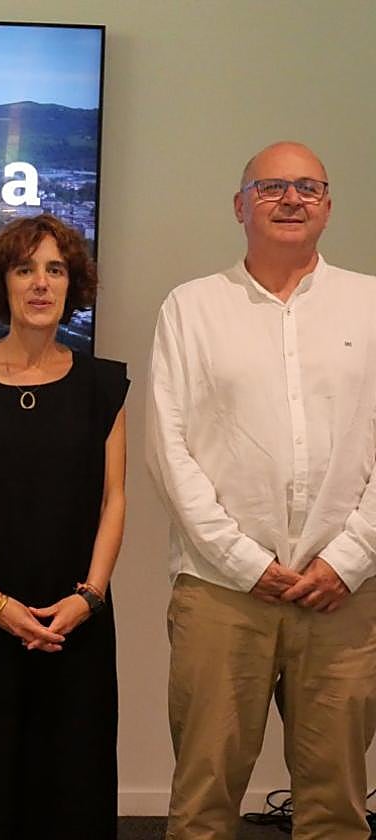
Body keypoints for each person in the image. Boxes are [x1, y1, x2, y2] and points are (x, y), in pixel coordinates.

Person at [147, 141, 376, 840]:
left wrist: (350, 559)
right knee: (204, 807)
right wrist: (244, 562)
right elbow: (169, 448)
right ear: (240, 205)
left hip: (345, 594)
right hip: (222, 593)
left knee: (336, 808)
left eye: (309, 187)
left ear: (329, 207)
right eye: (272, 186)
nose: (292, 199)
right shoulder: (191, 308)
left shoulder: (370, 304)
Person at [0, 213, 128, 838]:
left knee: (71, 782)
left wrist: (89, 597)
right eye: (25, 269)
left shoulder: (103, 385)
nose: (41, 283)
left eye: (55, 270)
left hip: (76, 620)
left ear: (73, 285)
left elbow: (115, 499)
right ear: (0, 284)